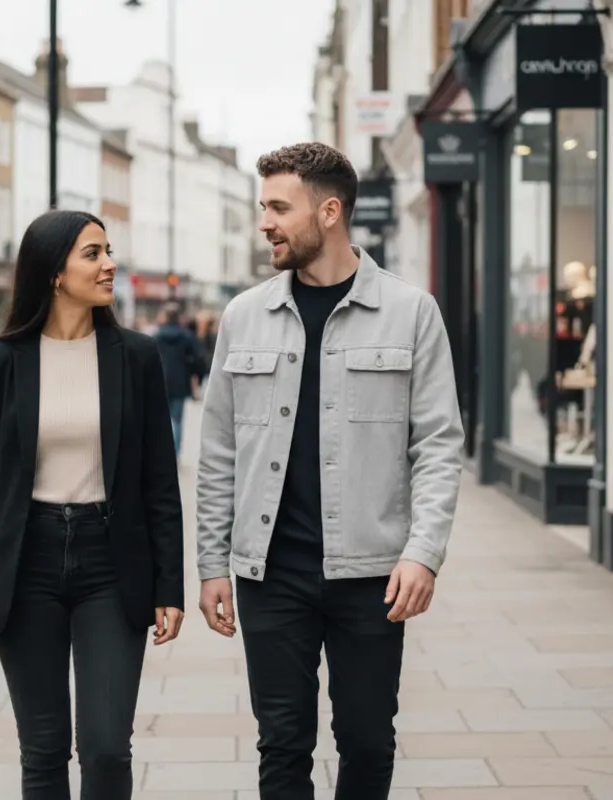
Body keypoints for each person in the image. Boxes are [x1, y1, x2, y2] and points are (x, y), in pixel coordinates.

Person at [195, 142, 464, 799]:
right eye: (265, 207)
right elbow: (219, 450)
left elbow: (438, 443)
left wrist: (423, 554)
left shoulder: (411, 312)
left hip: (372, 572)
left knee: (368, 742)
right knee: (282, 746)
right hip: (272, 572)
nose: (266, 222)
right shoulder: (244, 316)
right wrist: (211, 563)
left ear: (331, 212)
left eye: (279, 208)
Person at [0, 210, 186, 800]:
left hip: (111, 560)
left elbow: (160, 479)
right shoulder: (0, 361)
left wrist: (169, 586)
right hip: (26, 560)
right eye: (93, 253)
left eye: (109, 251)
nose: (110, 264)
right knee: (45, 749)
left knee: (106, 747)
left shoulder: (136, 355)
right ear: (54, 273)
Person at [152, 303, 202, 455]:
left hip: (160, 382)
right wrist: (195, 378)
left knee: (160, 420)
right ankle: (175, 452)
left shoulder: (156, 336)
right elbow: (198, 359)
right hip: (180, 383)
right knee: (178, 420)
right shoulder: (186, 336)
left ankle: (162, 451)